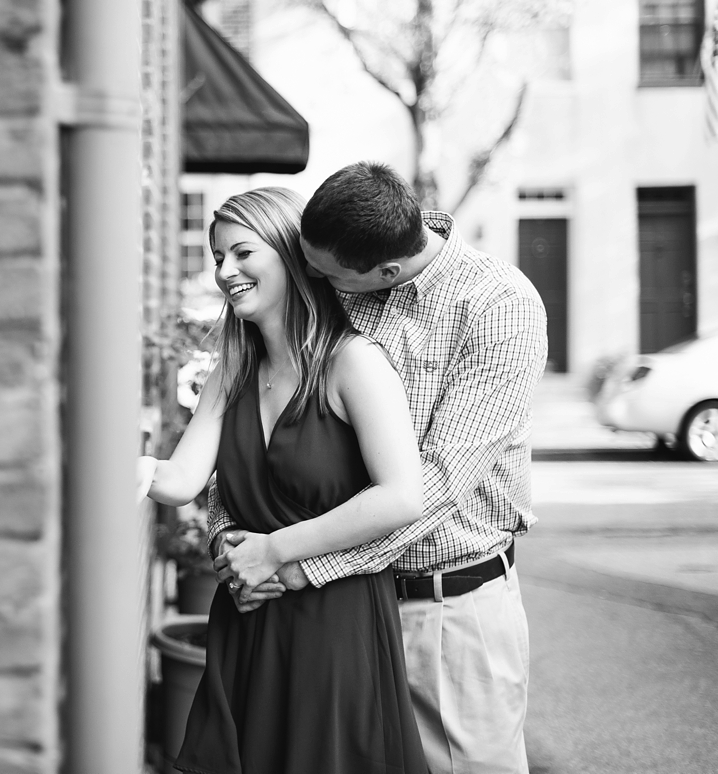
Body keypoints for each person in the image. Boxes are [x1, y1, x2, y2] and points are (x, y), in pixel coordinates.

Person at [209, 161, 548, 774]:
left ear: (386, 272)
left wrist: (293, 562)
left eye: (322, 272)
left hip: (445, 608)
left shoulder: (498, 305)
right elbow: (250, 439)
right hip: (337, 620)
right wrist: (232, 541)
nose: (308, 276)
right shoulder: (343, 265)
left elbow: (437, 484)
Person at [139, 187, 429, 774]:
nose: (225, 271)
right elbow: (181, 480)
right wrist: (131, 468)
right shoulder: (232, 370)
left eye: (242, 253)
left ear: (287, 254)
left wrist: (274, 550)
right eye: (218, 256)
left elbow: (402, 496)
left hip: (332, 625)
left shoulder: (355, 363)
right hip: (248, 619)